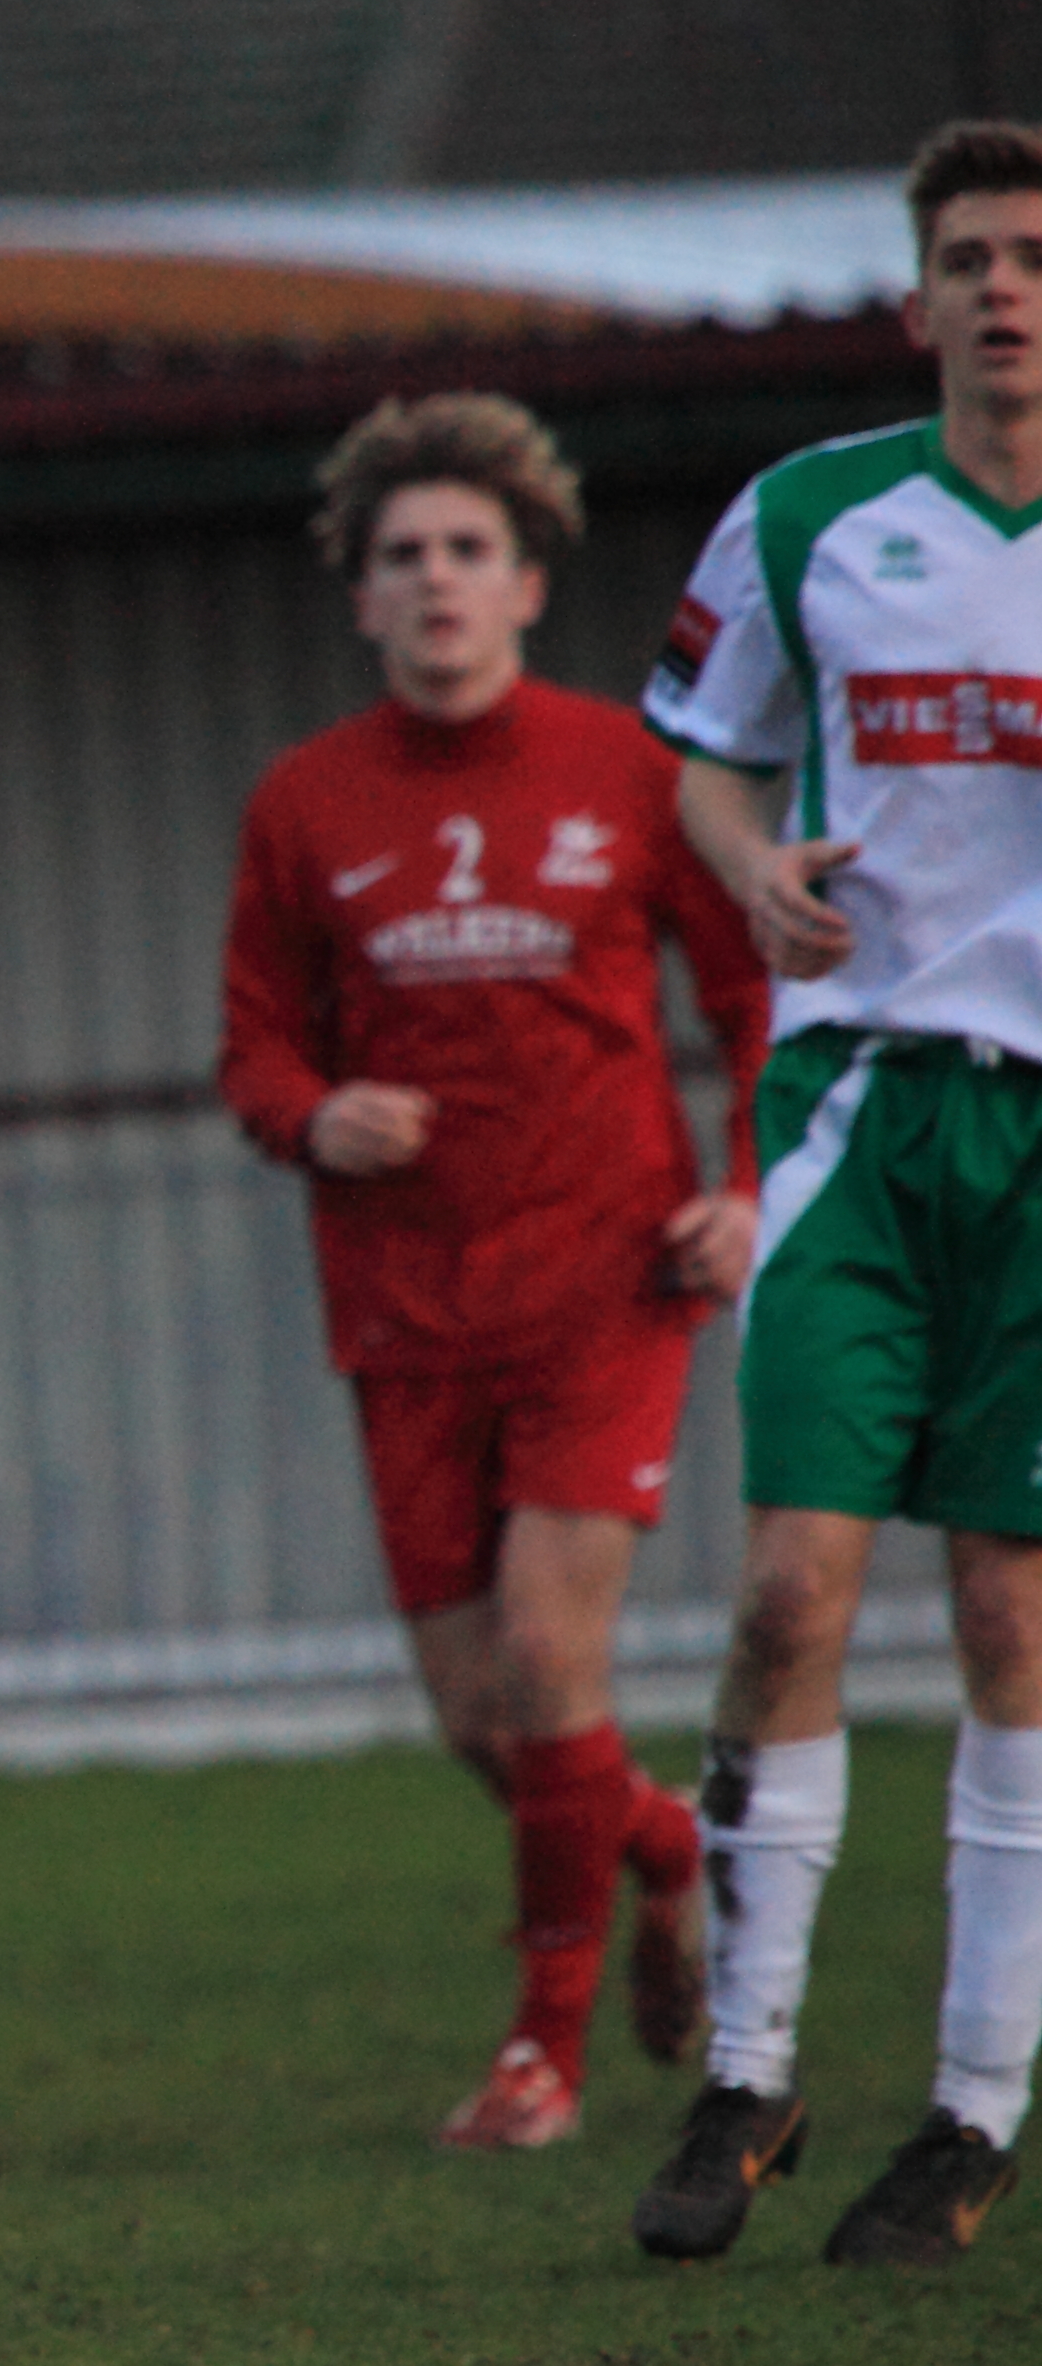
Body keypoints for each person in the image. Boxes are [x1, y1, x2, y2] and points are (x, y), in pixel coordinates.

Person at [217, 396, 766, 2155]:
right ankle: (665, 1847)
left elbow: (755, 1000)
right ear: (361, 598)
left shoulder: (631, 770)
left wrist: (747, 1187)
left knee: (547, 1653)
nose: (437, 579)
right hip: (403, 1304)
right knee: (484, 1719)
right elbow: (252, 1049)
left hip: (607, 1282)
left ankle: (542, 2055)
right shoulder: (304, 802)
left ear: (528, 583)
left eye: (469, 549)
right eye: (404, 555)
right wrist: (316, 1114)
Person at [628, 117, 1042, 2269]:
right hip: (858, 1112)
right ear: (917, 302)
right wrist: (749, 863)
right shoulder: (810, 516)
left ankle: (972, 2110)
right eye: (968, 257)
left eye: (1034, 255)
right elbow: (704, 755)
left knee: (1010, 1615)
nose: (1005, 289)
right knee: (789, 1593)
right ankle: (750, 2071)